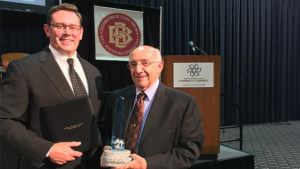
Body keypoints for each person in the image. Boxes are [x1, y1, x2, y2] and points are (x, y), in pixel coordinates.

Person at [0, 3, 102, 169]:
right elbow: (4, 121)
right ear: (47, 30)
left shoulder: (94, 72)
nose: (67, 32)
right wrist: (47, 149)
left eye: (73, 27)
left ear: (81, 33)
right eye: (60, 26)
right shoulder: (24, 69)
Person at [100, 45, 204, 169]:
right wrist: (106, 152)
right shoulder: (116, 97)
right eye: (133, 64)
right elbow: (105, 134)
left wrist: (147, 164)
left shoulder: (183, 103)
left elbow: (189, 152)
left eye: (145, 63)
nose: (138, 70)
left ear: (160, 66)